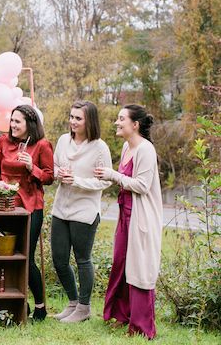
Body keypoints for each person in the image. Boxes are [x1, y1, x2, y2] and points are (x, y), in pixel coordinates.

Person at [95, 104, 163, 340]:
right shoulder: (126, 146)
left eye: (121, 118)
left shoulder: (146, 150)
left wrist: (113, 175)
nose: (116, 122)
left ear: (135, 125)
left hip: (140, 217)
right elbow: (127, 179)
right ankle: (123, 316)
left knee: (139, 267)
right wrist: (113, 175)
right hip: (125, 215)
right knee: (122, 264)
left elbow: (142, 186)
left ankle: (142, 327)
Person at [0, 104, 54, 321]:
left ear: (29, 125)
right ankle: (13, 303)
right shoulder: (3, 141)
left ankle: (40, 307)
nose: (13, 125)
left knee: (26, 257)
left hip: (30, 206)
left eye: (18, 121)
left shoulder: (42, 145)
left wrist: (32, 167)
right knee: (1, 255)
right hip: (4, 205)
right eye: (12, 120)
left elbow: (50, 177)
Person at [51, 101, 112, 323]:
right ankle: (73, 303)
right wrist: (59, 173)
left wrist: (77, 180)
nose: (73, 121)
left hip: (84, 211)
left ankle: (84, 308)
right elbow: (55, 166)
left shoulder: (99, 147)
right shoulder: (63, 141)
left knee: (82, 259)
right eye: (71, 116)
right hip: (61, 209)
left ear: (89, 121)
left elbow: (105, 181)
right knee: (59, 259)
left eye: (78, 118)